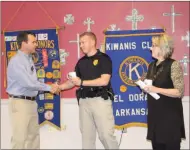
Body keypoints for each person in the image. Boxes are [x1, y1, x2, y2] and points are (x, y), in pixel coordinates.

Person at [58, 32, 119, 149]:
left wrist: (81, 82)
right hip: (84, 102)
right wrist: (59, 87)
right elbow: (73, 82)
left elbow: (104, 81)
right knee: (87, 138)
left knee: (106, 135)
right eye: (80, 43)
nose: (81, 45)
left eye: (83, 42)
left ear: (92, 42)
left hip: (100, 101)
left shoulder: (104, 59)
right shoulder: (81, 62)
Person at [6, 31, 58, 149]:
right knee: (19, 139)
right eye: (33, 42)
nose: (36, 45)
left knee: (33, 137)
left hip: (30, 102)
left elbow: (32, 83)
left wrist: (50, 87)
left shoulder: (28, 59)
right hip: (20, 103)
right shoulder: (17, 61)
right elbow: (28, 83)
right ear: (24, 43)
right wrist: (50, 88)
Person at [143, 33, 186, 150]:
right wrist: (145, 87)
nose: (150, 48)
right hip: (155, 117)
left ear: (162, 48)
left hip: (169, 119)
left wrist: (156, 89)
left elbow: (179, 92)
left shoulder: (173, 65)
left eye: (153, 45)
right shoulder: (151, 66)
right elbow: (151, 86)